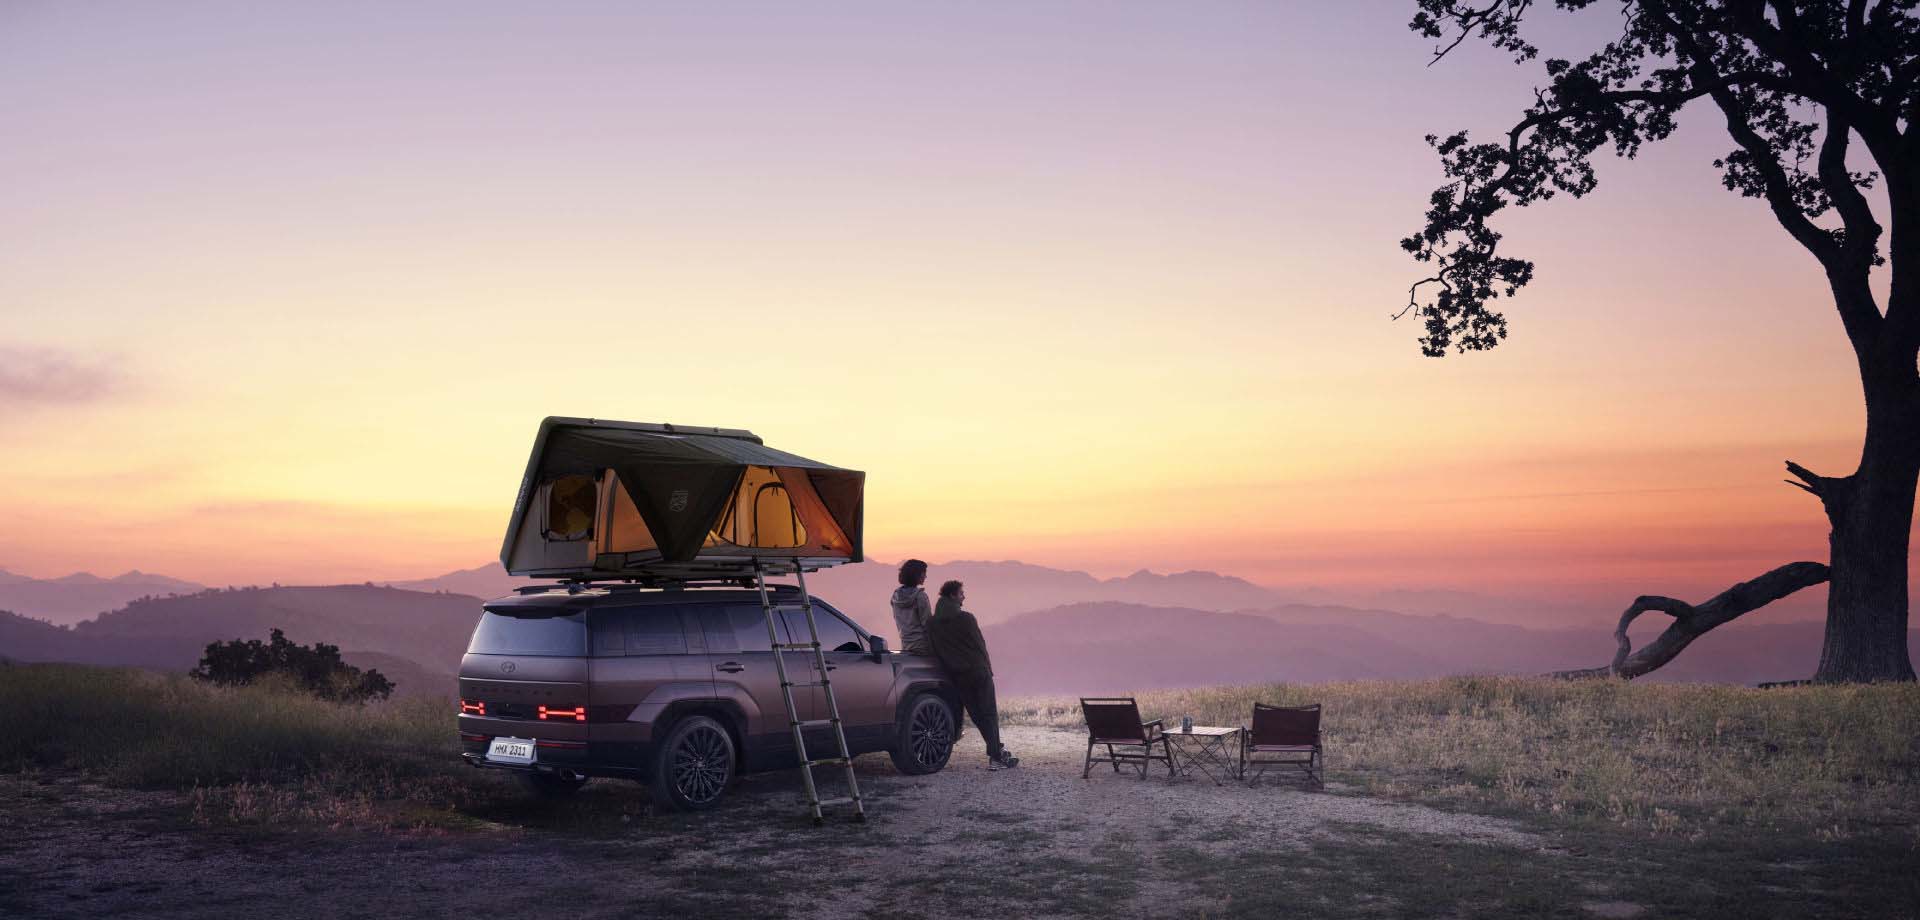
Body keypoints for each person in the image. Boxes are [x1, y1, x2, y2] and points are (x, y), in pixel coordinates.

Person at [926, 580, 1018, 770]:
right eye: (961, 593)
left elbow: (936, 649)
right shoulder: (967, 618)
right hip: (978, 671)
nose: (964, 597)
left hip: (957, 675)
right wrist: (988, 669)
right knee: (989, 713)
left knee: (977, 715)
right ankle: (995, 757)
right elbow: (979, 645)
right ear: (952, 595)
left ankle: (996, 752)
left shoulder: (932, 623)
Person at [890, 559, 934, 656]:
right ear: (917, 575)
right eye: (924, 573)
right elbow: (928, 625)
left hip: (906, 646)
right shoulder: (920, 596)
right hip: (923, 647)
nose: (925, 576)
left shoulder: (895, 596)